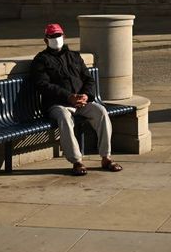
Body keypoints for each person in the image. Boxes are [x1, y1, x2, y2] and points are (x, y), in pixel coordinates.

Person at [31, 23, 123, 176]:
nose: (56, 39)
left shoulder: (74, 56)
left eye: (58, 36)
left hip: (81, 102)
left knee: (101, 112)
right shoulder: (41, 60)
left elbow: (89, 79)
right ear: (45, 40)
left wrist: (86, 95)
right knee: (65, 118)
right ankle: (76, 161)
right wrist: (68, 97)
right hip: (58, 104)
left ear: (64, 37)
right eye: (52, 36)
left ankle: (106, 157)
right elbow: (43, 85)